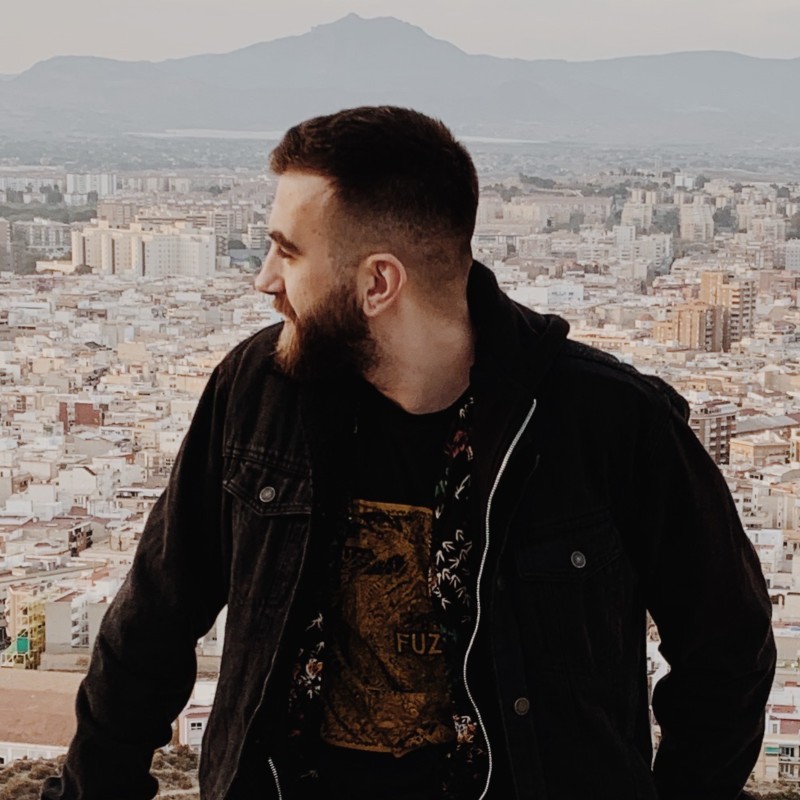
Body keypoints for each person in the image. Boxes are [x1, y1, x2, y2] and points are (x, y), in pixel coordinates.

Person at [43, 106, 776, 800]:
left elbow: (728, 646)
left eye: (288, 252)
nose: (265, 279)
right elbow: (152, 626)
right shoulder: (258, 393)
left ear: (378, 282)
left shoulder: (607, 422)